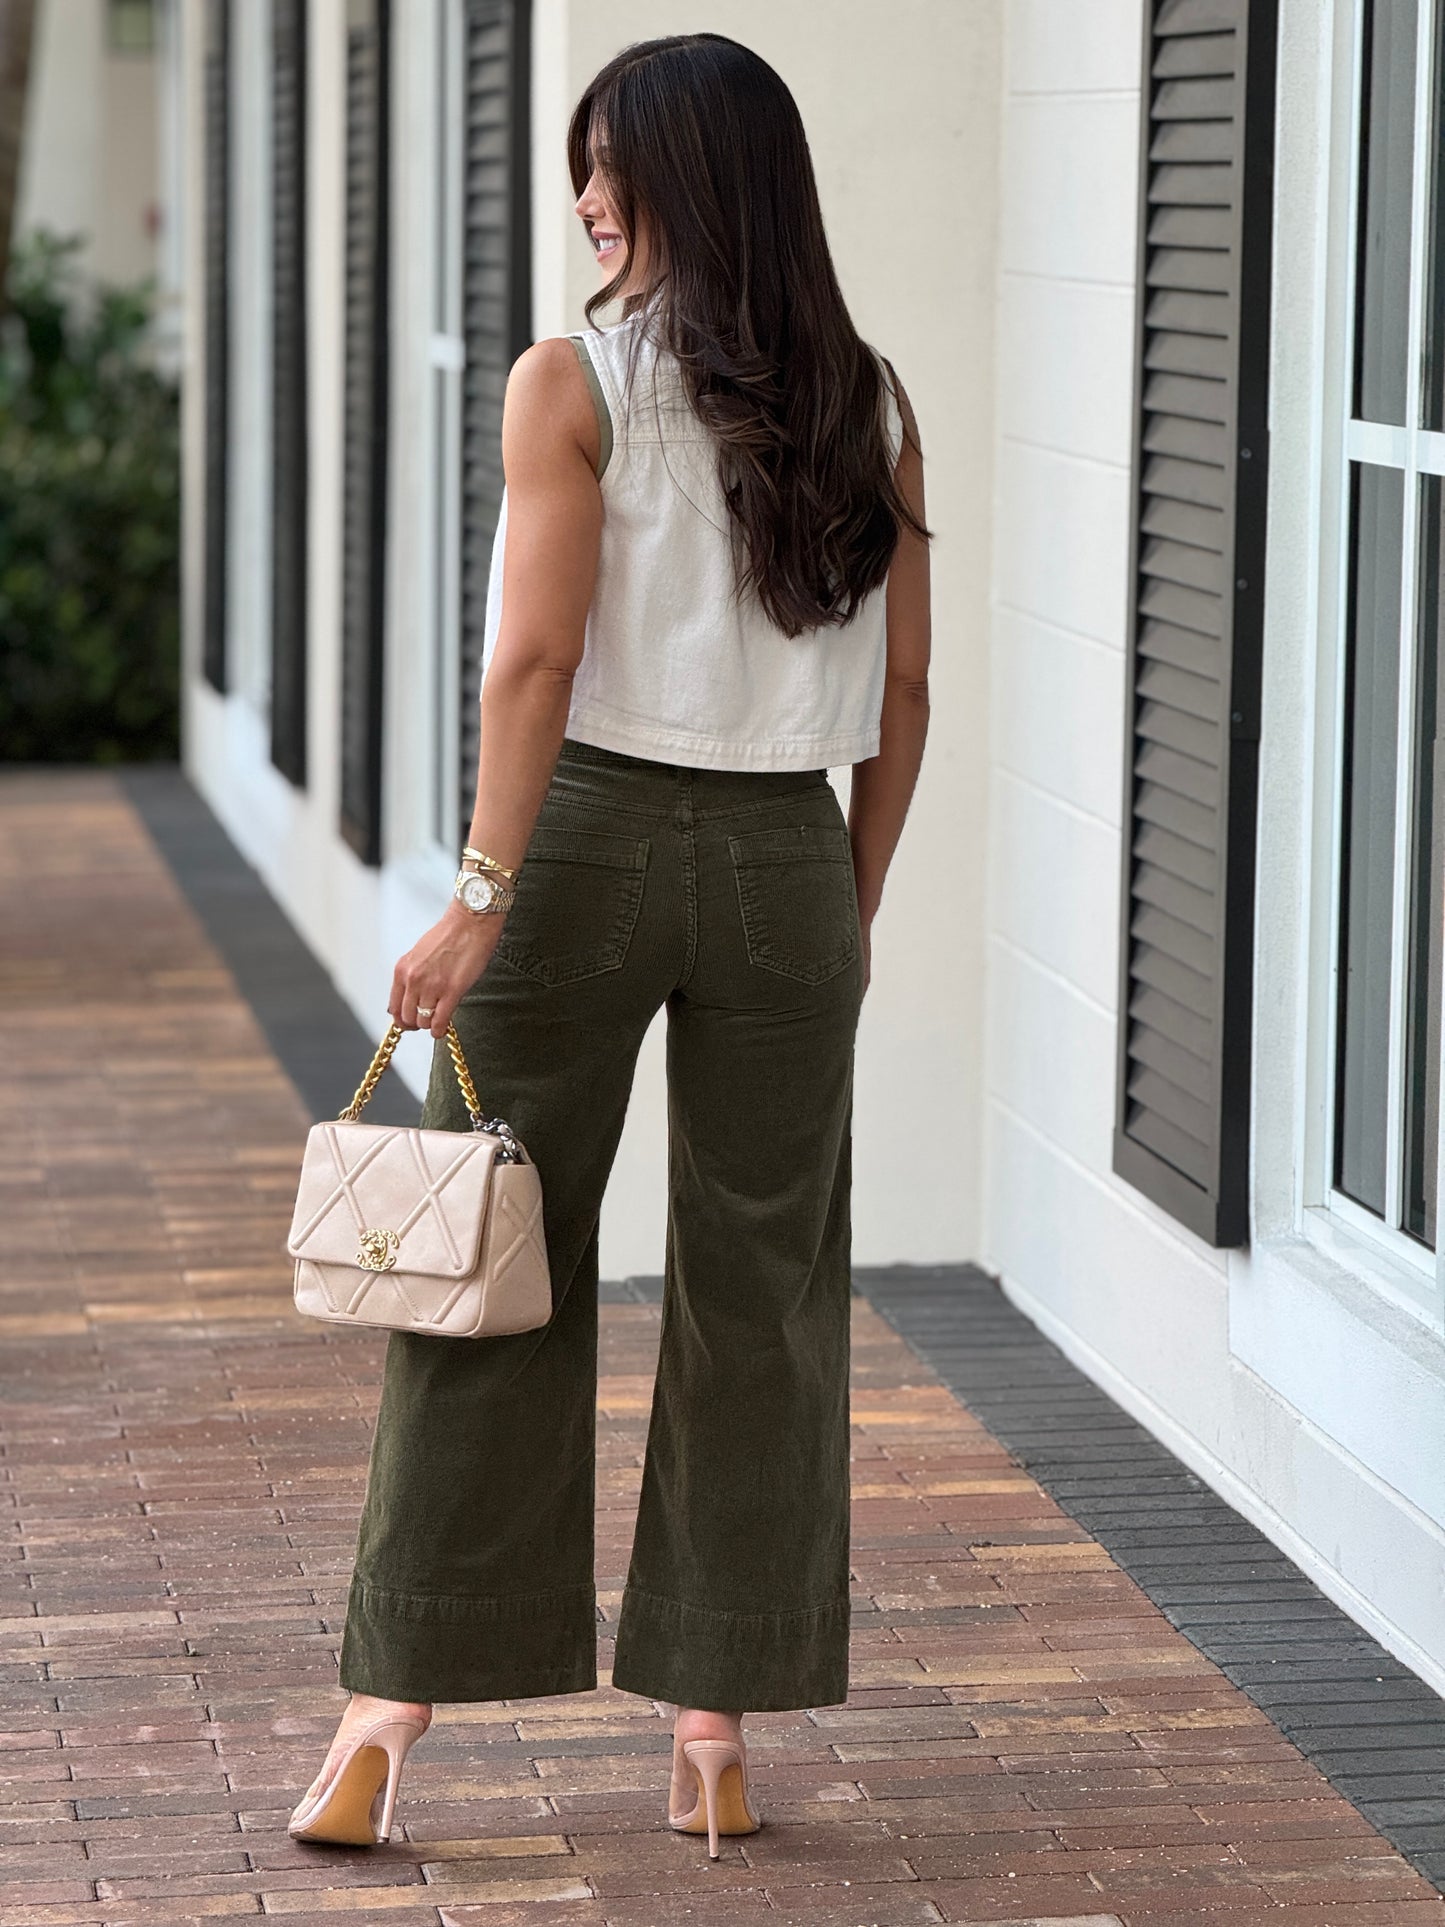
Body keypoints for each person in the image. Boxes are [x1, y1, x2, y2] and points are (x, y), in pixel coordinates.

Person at [287, 30, 931, 1858]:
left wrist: (476, 897)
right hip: (790, 854)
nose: (584, 195)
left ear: (686, 183)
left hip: (580, 848)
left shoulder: (570, 380)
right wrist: (847, 903)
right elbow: (901, 689)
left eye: (608, 166)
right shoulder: (868, 401)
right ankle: (713, 1729)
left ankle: (386, 1714)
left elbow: (537, 663)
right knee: (764, 1290)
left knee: (490, 1248)